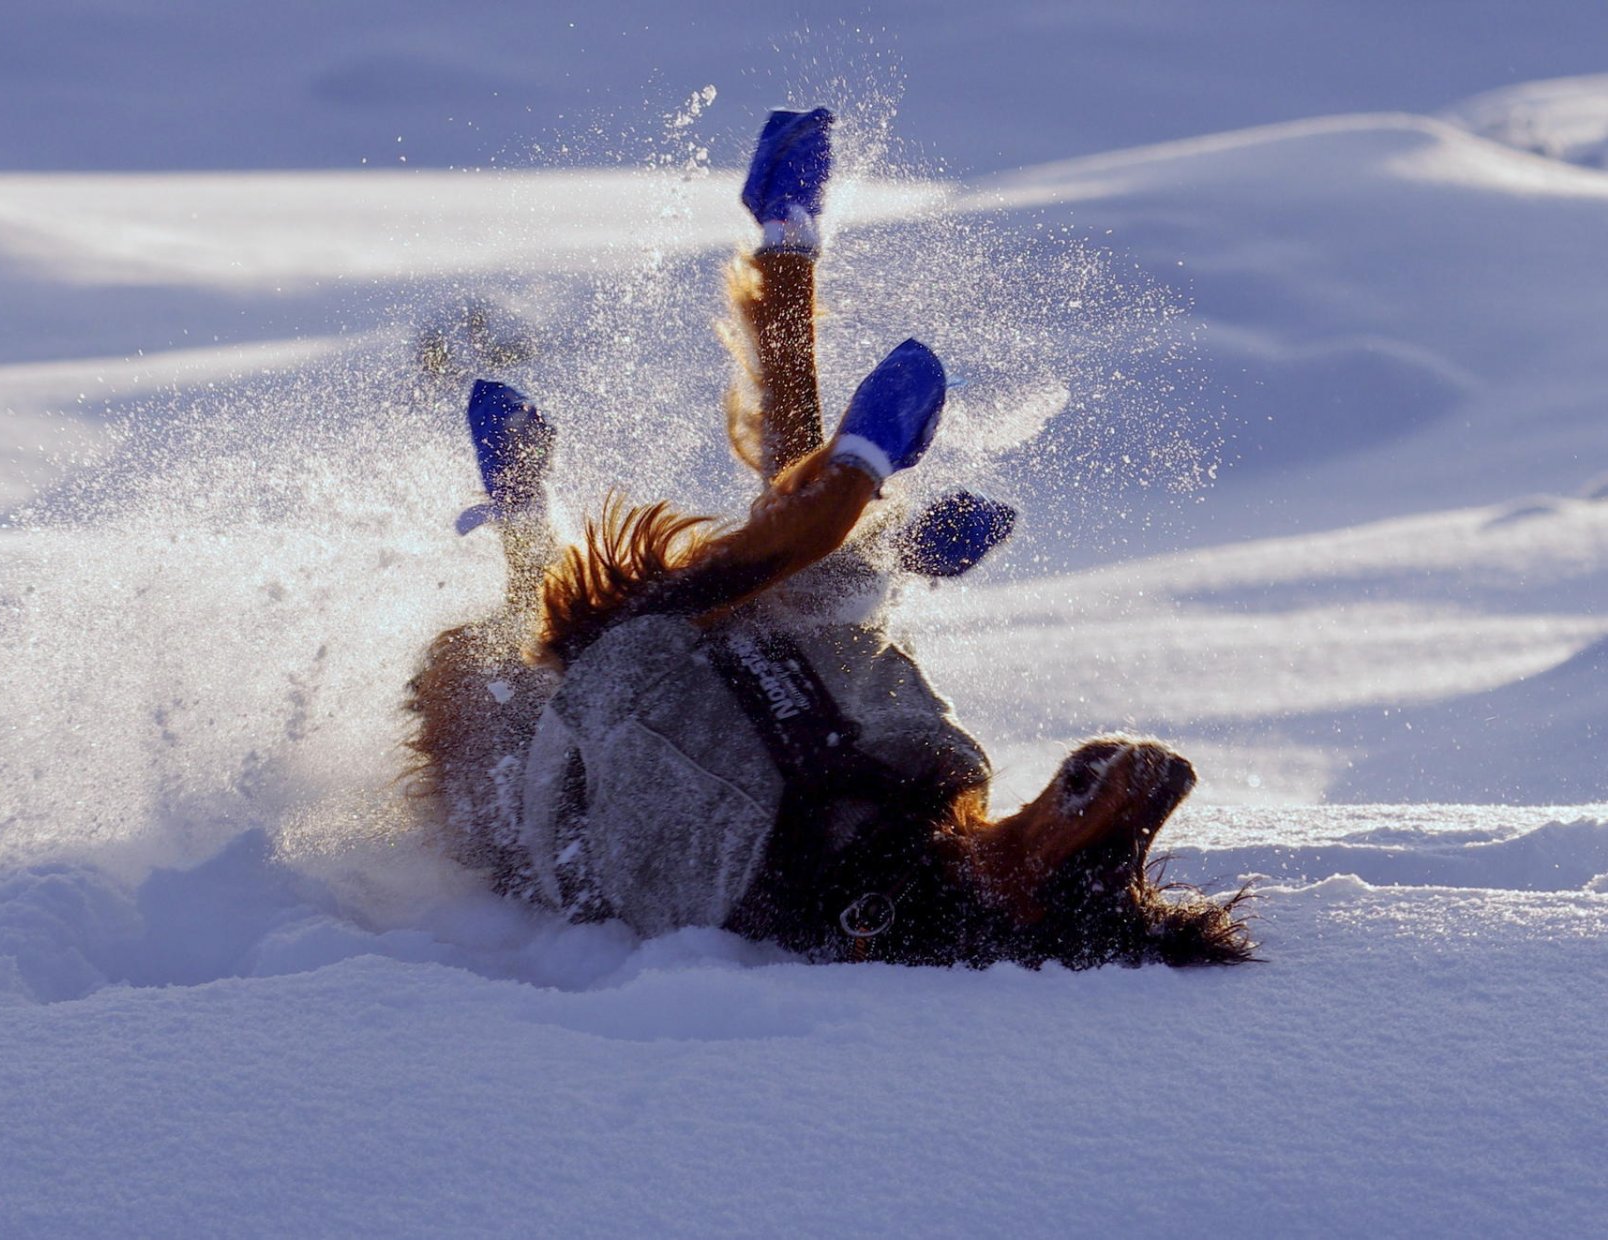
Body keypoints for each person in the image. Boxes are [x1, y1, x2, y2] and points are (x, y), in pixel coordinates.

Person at [406, 108, 1252, 967]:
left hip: (550, 777)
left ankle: (524, 508)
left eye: (1105, 864)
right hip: (678, 670)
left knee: (501, 677)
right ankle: (786, 250)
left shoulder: (767, 887)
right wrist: (895, 562)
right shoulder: (943, 769)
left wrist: (838, 532)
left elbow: (608, 677)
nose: (1119, 806)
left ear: (1024, 912)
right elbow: (832, 645)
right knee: (822, 585)